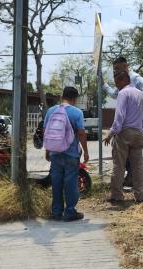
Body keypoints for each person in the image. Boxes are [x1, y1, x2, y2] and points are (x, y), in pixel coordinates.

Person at [103, 57, 143, 186]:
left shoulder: (134, 78)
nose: (115, 73)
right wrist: (104, 85)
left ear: (125, 67)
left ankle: (117, 193)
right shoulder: (123, 88)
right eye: (114, 70)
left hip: (127, 128)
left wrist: (111, 133)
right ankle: (138, 191)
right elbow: (115, 94)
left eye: (117, 69)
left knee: (120, 162)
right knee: (135, 162)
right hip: (136, 129)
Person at [44, 86, 89, 222]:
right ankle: (70, 213)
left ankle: (56, 212)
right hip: (71, 154)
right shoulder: (77, 113)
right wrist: (86, 151)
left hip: (55, 153)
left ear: (62, 96)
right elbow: (81, 133)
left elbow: (47, 133)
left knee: (56, 182)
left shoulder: (50, 111)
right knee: (70, 183)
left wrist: (47, 151)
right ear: (75, 98)